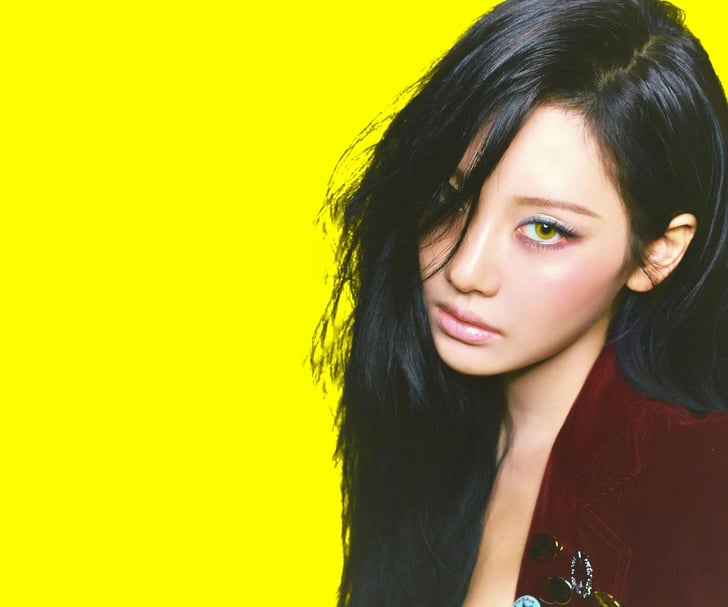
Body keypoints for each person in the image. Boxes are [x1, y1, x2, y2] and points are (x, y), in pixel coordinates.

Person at [311, 0, 728, 605]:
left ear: (657, 253)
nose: (465, 270)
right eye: (451, 197)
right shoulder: (424, 439)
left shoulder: (700, 482)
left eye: (544, 229)